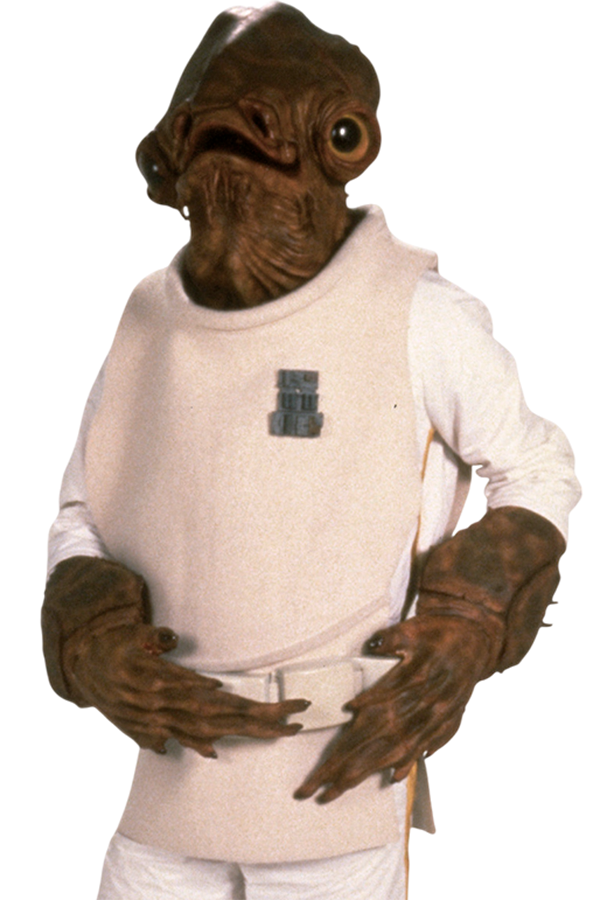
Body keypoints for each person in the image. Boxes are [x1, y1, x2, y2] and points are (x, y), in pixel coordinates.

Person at [42, 5, 580, 898]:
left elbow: (537, 469)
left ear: (344, 143)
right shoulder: (147, 322)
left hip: (344, 768)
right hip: (171, 783)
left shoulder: (420, 314)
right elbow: (83, 510)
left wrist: (469, 623)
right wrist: (90, 631)